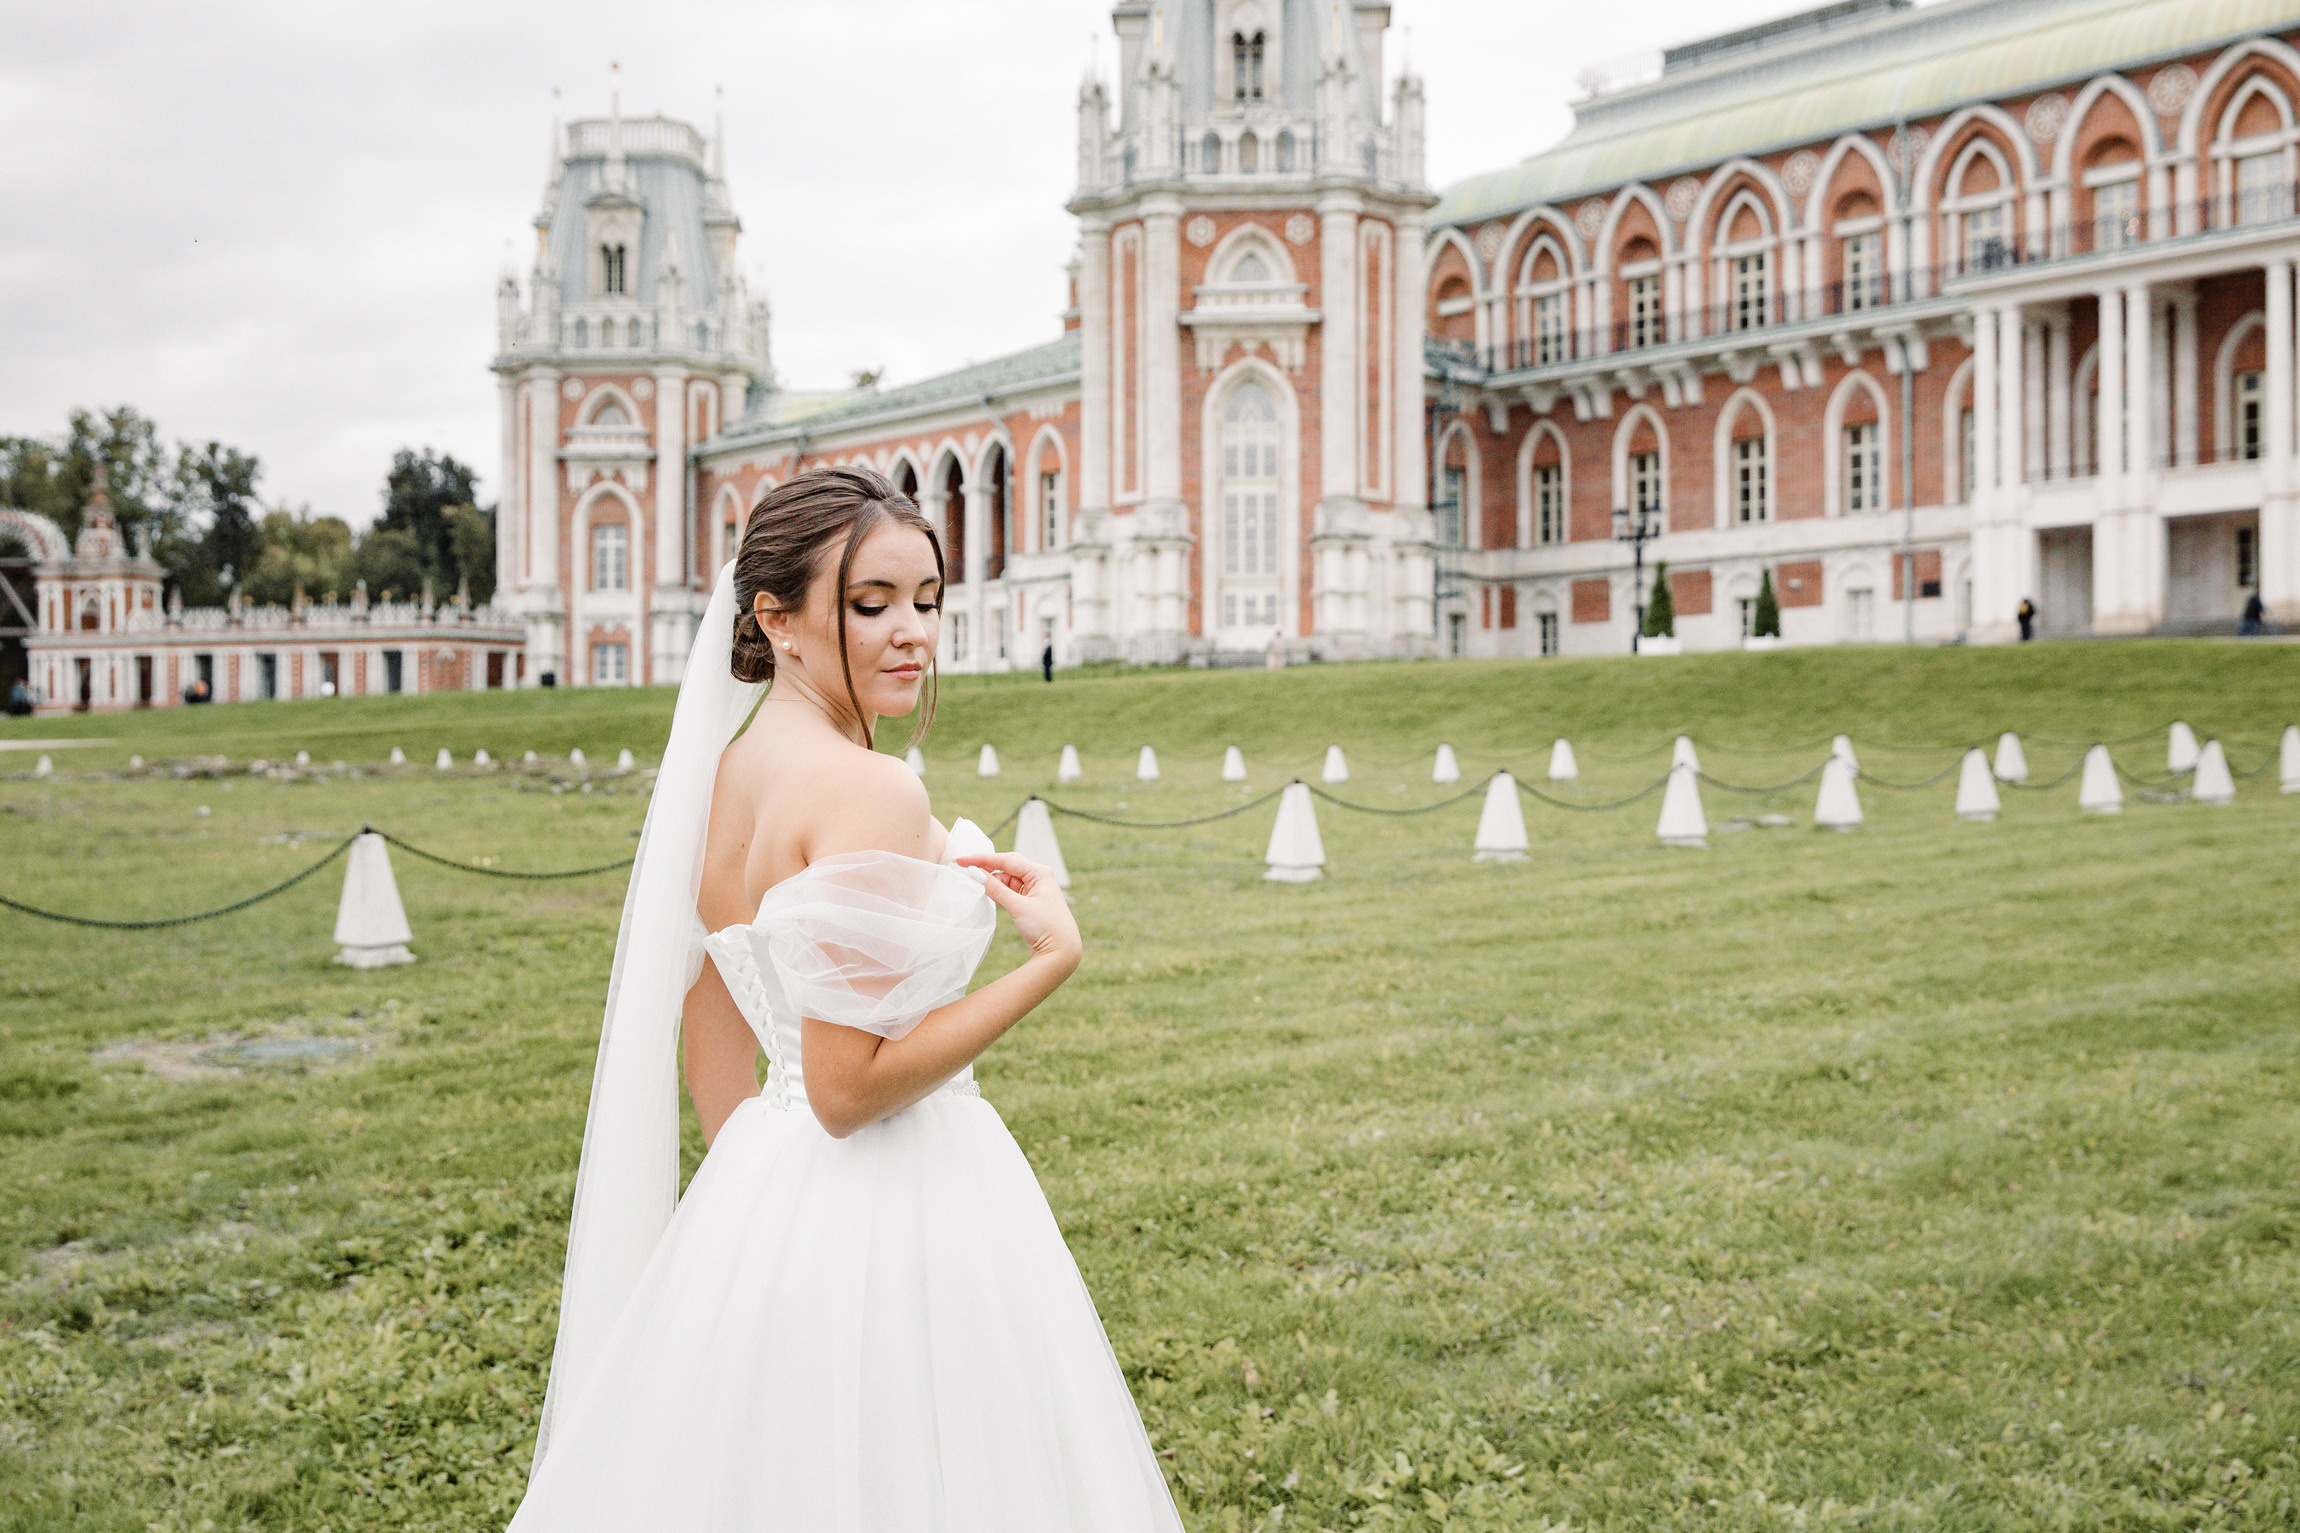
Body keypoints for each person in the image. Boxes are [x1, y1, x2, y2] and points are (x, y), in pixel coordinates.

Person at [506, 467, 1183, 1533]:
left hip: (761, 1190)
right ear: (773, 619)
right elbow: (845, 1088)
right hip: (898, 1191)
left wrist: (766, 1215)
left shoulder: (725, 776)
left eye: (926, 601)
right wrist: (1046, 961)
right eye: (870, 605)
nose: (911, 633)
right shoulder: (866, 784)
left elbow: (718, 1020)